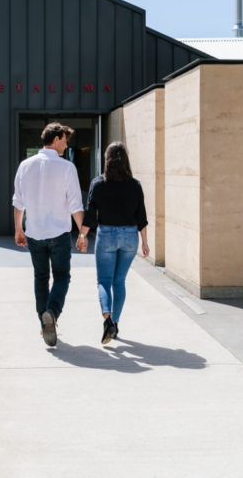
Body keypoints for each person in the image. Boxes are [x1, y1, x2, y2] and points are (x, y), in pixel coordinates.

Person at [13, 122, 86, 347]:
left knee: (41, 278)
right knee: (62, 276)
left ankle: (44, 323)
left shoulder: (25, 165)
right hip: (59, 233)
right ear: (55, 139)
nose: (66, 145)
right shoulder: (67, 168)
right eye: (65, 140)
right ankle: (52, 314)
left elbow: (18, 202)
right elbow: (75, 204)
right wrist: (82, 234)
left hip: (34, 232)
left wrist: (19, 229)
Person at [78, 141, 149, 345]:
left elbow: (91, 215)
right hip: (129, 237)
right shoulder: (135, 185)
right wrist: (145, 242)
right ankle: (115, 324)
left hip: (107, 235)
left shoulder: (98, 183)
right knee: (119, 282)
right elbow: (141, 217)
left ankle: (107, 319)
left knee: (104, 281)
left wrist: (83, 236)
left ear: (107, 160)